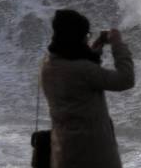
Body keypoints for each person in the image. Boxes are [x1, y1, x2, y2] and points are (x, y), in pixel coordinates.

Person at [41, 9, 135, 168]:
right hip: (93, 153)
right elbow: (125, 80)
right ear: (76, 37)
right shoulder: (83, 71)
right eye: (85, 35)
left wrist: (94, 50)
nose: (86, 39)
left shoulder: (48, 63)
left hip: (63, 150)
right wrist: (118, 45)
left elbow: (77, 73)